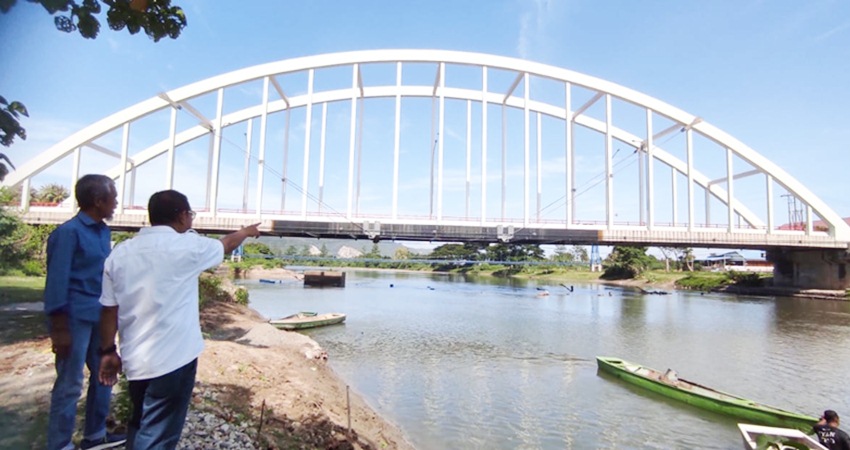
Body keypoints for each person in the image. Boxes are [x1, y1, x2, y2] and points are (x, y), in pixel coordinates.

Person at [97, 189, 261, 449]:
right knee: (158, 436)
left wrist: (107, 350)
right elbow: (227, 244)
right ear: (183, 216)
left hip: (135, 358)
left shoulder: (120, 253)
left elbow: (108, 309)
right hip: (174, 361)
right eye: (191, 214)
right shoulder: (189, 247)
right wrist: (246, 232)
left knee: (140, 422)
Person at [44, 174, 126, 450]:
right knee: (70, 382)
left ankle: (94, 436)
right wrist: (59, 329)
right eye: (113, 197)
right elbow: (56, 281)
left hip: (100, 316)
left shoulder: (103, 231)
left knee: (105, 373)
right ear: (97, 200)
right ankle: (59, 444)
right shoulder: (68, 233)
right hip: (74, 318)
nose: (116, 202)